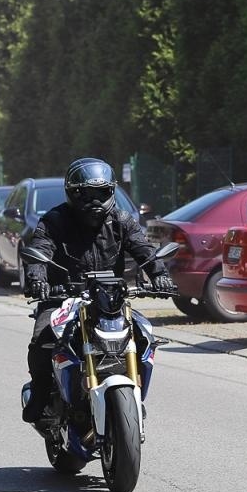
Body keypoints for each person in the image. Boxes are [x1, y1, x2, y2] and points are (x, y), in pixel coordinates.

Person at [19, 158, 174, 433]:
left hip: (108, 297)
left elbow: (143, 249)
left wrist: (159, 274)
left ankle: (130, 394)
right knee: (43, 340)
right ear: (72, 193)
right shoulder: (54, 220)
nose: (94, 201)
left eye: (101, 193)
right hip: (62, 298)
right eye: (85, 194)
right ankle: (41, 395)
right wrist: (37, 280)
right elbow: (39, 251)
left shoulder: (122, 220)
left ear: (111, 192)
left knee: (142, 335)